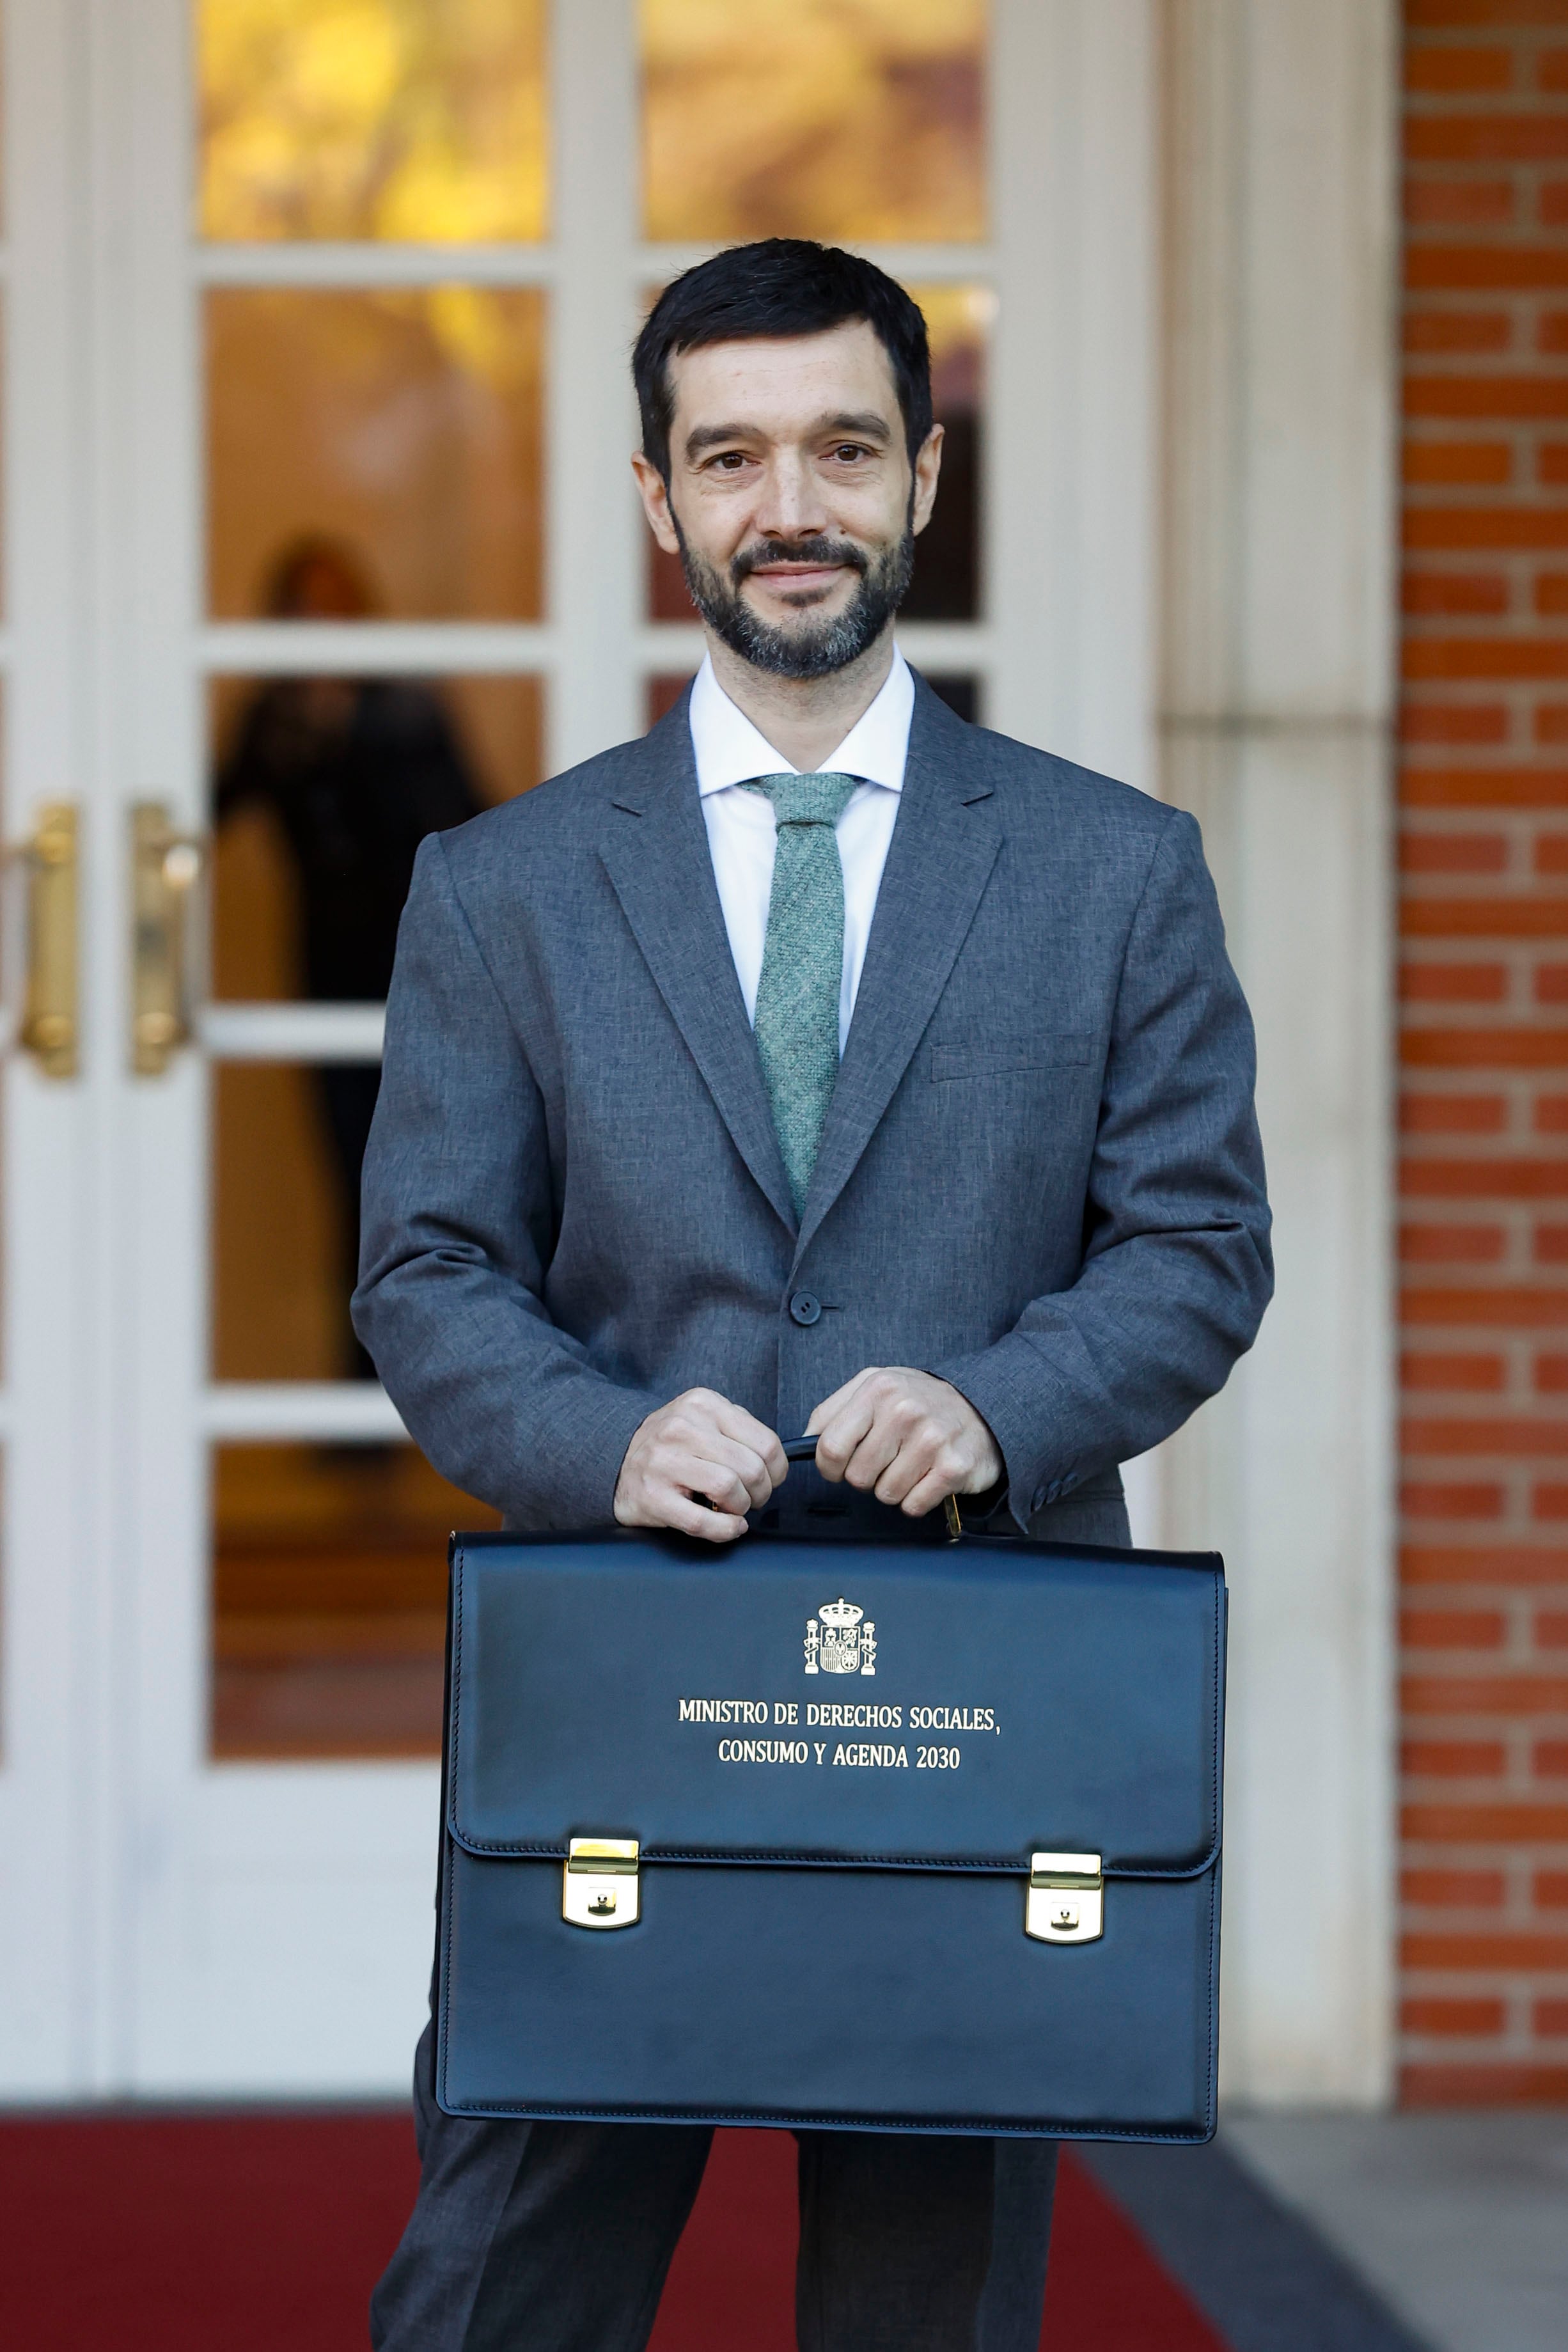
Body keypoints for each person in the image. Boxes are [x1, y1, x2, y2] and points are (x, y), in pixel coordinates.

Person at [354, 238, 1272, 2352]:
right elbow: (425, 1267)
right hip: (621, 1652)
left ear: (923, 477)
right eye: (734, 454)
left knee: (928, 2289)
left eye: (844, 447)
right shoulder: (502, 885)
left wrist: (1003, 1398)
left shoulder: (1112, 869)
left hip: (983, 1660)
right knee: (504, 2265)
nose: (792, 506)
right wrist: (598, 1432)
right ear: (656, 496)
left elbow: (1199, 1242)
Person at [217, 536, 483, 1376]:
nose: (318, 629)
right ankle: (358, 1403)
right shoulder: (273, 717)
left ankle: (409, 1393)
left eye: (333, 611)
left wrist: (353, 729)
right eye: (301, 613)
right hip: (322, 976)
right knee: (348, 1178)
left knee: (421, 1183)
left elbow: (465, 822)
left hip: (416, 969)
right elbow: (199, 807)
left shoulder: (401, 709)